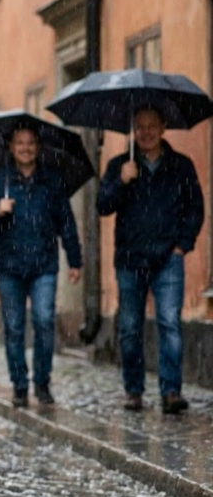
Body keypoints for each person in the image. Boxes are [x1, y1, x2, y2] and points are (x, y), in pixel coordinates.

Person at [98, 106, 204, 415]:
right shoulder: (120, 164)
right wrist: (121, 181)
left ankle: (171, 391)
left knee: (169, 324)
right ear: (133, 130)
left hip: (168, 258)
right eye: (140, 127)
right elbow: (102, 205)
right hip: (130, 259)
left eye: (152, 126)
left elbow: (195, 207)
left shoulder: (181, 166)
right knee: (130, 327)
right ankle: (134, 391)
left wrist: (183, 246)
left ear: (163, 128)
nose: (146, 132)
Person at [0, 126, 82, 408]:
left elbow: (67, 223)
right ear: (11, 147)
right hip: (8, 267)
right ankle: (20, 385)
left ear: (38, 147)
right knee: (14, 328)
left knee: (45, 321)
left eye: (30, 143)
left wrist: (75, 260)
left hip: (44, 265)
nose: (25, 148)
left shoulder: (52, 182)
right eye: (20, 143)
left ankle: (42, 383)